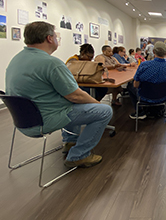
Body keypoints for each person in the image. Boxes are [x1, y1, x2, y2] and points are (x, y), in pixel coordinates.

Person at [5, 21, 112, 168]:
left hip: (23, 121)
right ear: (49, 39)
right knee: (105, 111)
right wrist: (97, 103)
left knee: (71, 102)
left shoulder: (16, 59)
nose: (57, 40)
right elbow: (75, 95)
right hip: (44, 120)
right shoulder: (51, 63)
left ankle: (70, 141)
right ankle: (79, 155)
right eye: (56, 37)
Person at [127, 41, 166, 120]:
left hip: (144, 96)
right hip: (163, 97)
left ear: (153, 52)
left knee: (130, 86)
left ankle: (139, 112)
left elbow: (136, 85)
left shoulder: (144, 65)